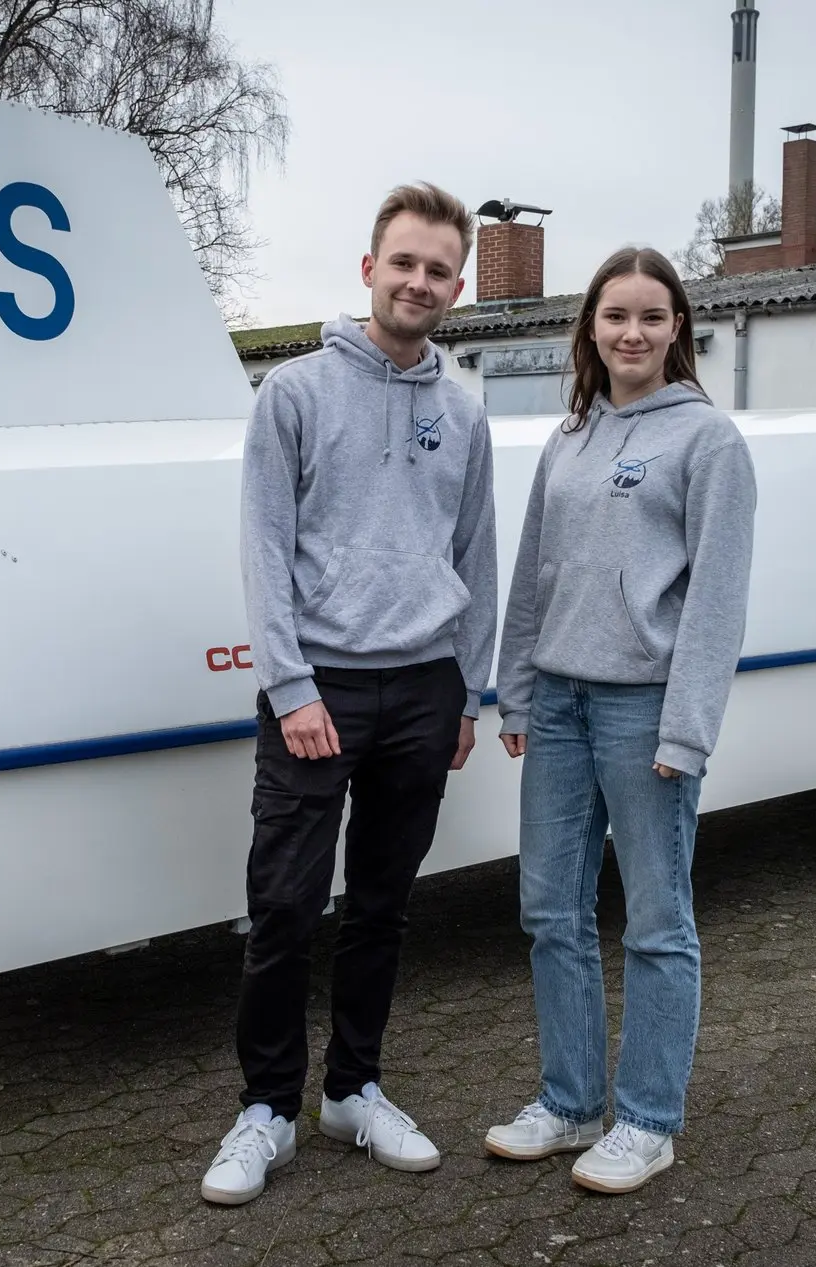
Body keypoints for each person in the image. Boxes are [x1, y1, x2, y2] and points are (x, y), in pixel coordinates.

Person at [201, 182, 498, 1206]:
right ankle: (266, 1110)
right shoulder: (293, 394)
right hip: (316, 689)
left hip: (423, 690)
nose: (418, 281)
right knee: (284, 907)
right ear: (369, 268)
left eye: (438, 269)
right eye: (402, 262)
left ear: (456, 287)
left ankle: (353, 1090)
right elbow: (263, 547)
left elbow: (476, 554)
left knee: (382, 906)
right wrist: (289, 685)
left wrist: (469, 692)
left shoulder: (465, 412)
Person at [484, 246, 756, 1194]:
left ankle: (647, 1120)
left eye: (650, 316)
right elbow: (535, 574)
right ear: (590, 328)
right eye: (615, 316)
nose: (631, 333)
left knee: (656, 919)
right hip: (559, 703)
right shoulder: (569, 438)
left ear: (678, 326)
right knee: (550, 910)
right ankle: (569, 1103)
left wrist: (688, 729)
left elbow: (717, 599)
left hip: (645, 710)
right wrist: (518, 687)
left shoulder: (708, 442)